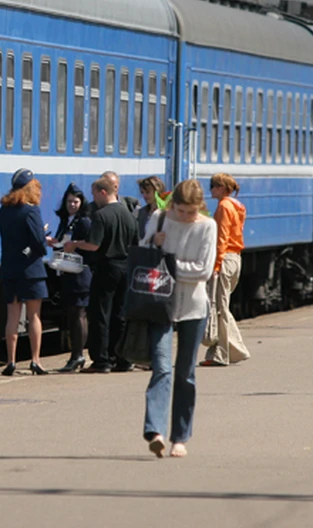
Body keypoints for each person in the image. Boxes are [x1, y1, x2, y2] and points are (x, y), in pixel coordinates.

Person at [140, 179, 217, 458]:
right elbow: (142, 253)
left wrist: (168, 263)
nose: (186, 218)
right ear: (173, 204)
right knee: (161, 367)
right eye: (181, 211)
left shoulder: (207, 226)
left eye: (191, 212)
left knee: (186, 373)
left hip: (195, 307)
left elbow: (203, 271)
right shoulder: (160, 219)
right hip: (161, 304)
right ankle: (155, 431)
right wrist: (153, 242)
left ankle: (180, 437)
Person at [64, 177, 138, 373]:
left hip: (107, 267)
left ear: (103, 192)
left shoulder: (102, 215)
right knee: (120, 314)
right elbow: (136, 243)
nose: (93, 199)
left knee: (100, 314)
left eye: (94, 194)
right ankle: (122, 358)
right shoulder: (128, 214)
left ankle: (101, 360)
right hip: (126, 267)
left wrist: (75, 244)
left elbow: (94, 245)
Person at [0, 169, 48, 376]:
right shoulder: (31, 211)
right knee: (34, 316)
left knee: (12, 316)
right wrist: (41, 238)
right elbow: (38, 243)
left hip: (9, 267)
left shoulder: (4, 210)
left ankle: (11, 361)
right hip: (31, 270)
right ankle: (35, 360)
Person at [203, 173, 251, 366]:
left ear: (222, 188)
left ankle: (223, 354)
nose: (210, 190)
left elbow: (222, 238)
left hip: (224, 259)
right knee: (222, 307)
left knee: (220, 308)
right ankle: (231, 349)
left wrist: (215, 265)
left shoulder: (224, 206)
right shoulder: (238, 206)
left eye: (213, 186)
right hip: (235, 259)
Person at [46, 183, 92, 372]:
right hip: (67, 272)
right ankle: (75, 355)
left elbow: (86, 245)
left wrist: (70, 244)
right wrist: (53, 243)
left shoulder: (84, 222)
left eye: (75, 201)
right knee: (72, 314)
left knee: (79, 313)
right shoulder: (66, 221)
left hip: (80, 273)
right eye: (69, 201)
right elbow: (63, 244)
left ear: (81, 203)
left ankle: (78, 355)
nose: (72, 205)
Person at [135, 176, 166, 240]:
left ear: (157, 191)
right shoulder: (141, 212)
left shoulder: (167, 212)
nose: (144, 196)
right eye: (142, 192)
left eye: (147, 192)